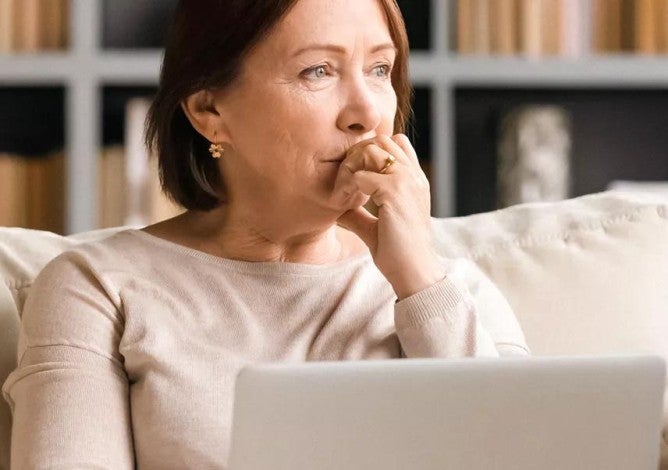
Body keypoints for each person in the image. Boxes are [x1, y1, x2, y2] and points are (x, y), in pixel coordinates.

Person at [2, 0, 530, 468]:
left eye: (379, 69)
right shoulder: (96, 287)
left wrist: (420, 284)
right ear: (209, 110)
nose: (368, 112)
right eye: (318, 71)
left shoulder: (453, 291)